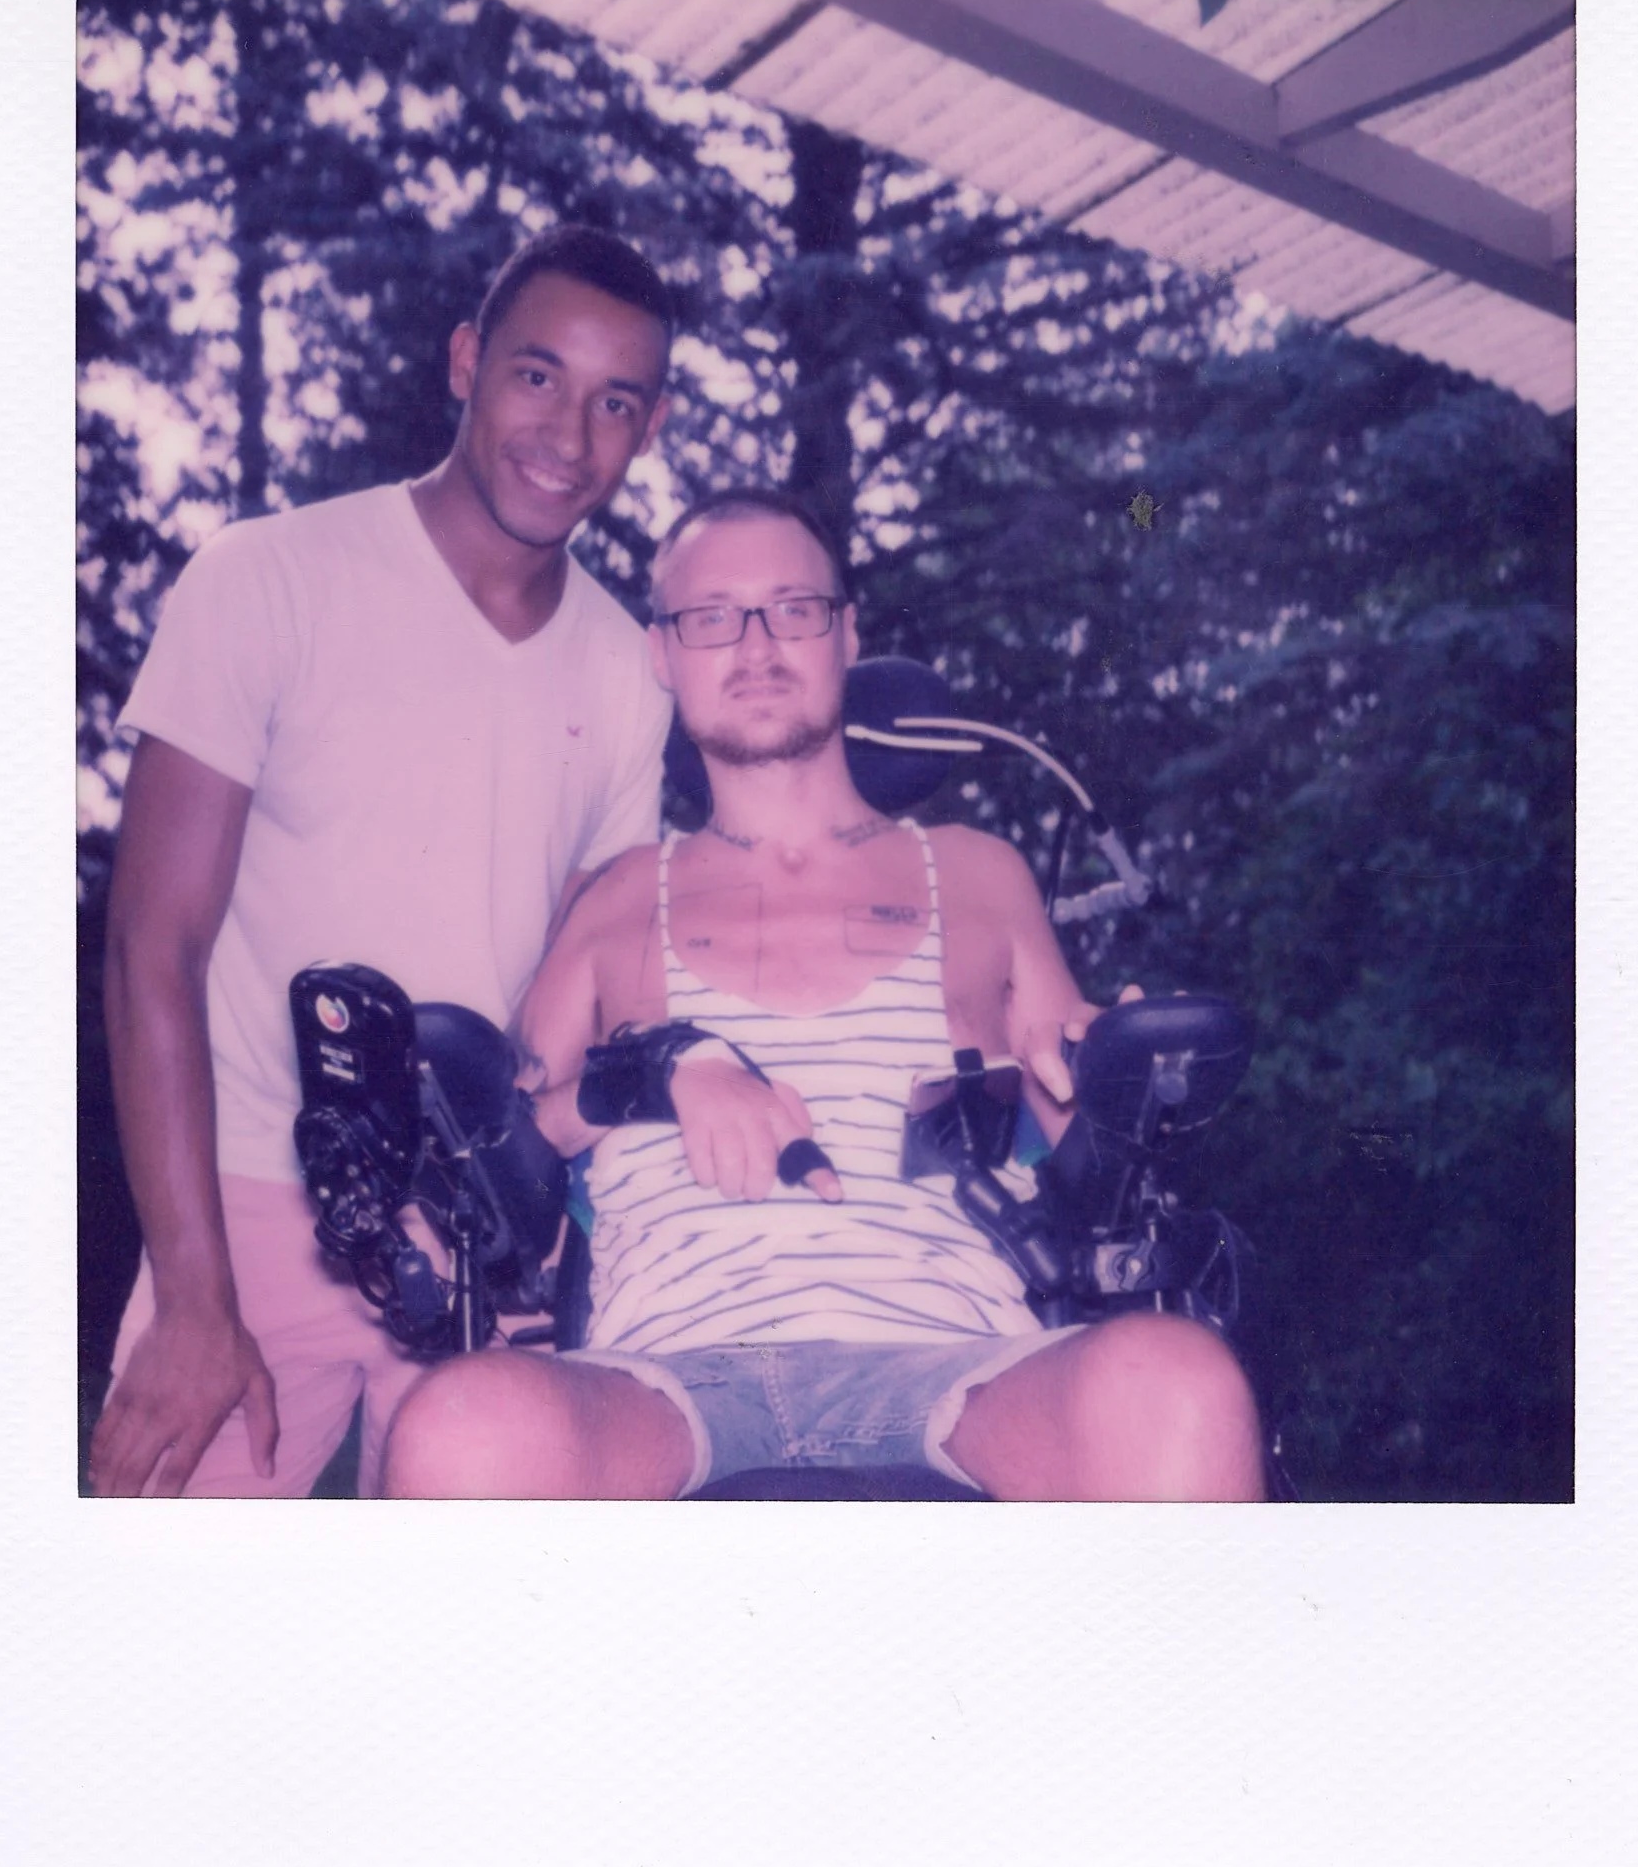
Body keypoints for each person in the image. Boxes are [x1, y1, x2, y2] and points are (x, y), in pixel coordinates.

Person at [382, 493, 1265, 1501]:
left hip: (955, 1358)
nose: (754, 645)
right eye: (711, 616)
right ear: (662, 652)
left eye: (791, 607)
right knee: (459, 1421)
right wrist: (650, 1080)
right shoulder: (614, 896)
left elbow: (1078, 1142)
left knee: (1177, 1380)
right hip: (667, 1367)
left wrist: (1110, 1072)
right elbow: (511, 1168)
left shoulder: (978, 874)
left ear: (847, 632)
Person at [91, 226, 678, 1497]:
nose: (568, 436)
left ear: (651, 425)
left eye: (613, 402)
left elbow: (590, 993)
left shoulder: (634, 672)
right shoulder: (268, 578)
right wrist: (195, 1299)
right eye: (536, 376)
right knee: (159, 1655)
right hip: (243, 1217)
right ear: (465, 362)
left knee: (463, 1662)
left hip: (487, 1244)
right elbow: (152, 948)